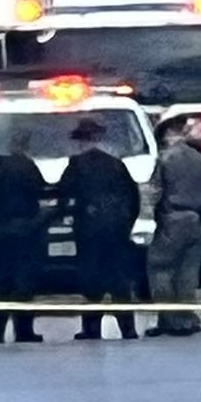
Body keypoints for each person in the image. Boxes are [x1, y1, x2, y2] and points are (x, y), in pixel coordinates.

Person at [56, 116, 141, 341]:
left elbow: (64, 194)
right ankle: (127, 328)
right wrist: (126, 225)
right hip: (116, 230)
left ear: (81, 141)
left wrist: (66, 217)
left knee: (91, 278)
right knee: (119, 279)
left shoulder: (76, 164)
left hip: (89, 230)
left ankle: (92, 328)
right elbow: (134, 198)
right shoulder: (116, 164)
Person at [0, 128, 48, 343]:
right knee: (23, 282)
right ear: (25, 146)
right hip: (25, 230)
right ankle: (24, 330)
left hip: (2, 230)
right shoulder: (28, 166)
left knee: (0, 281)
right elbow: (41, 190)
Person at [146, 117, 201, 337]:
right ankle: (186, 319)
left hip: (171, 218)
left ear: (167, 134)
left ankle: (169, 319)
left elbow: (155, 192)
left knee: (160, 268)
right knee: (188, 273)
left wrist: (149, 218)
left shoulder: (165, 159)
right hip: (195, 219)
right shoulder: (198, 159)